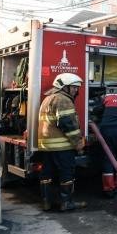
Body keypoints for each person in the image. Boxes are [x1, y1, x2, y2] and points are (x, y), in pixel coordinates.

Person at [37, 73, 86, 211]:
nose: (76, 90)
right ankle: (66, 203)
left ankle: (46, 203)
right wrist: (78, 143)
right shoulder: (63, 100)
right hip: (62, 147)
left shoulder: (48, 98)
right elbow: (68, 125)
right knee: (66, 173)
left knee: (46, 174)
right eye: (74, 87)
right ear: (64, 87)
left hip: (46, 147)